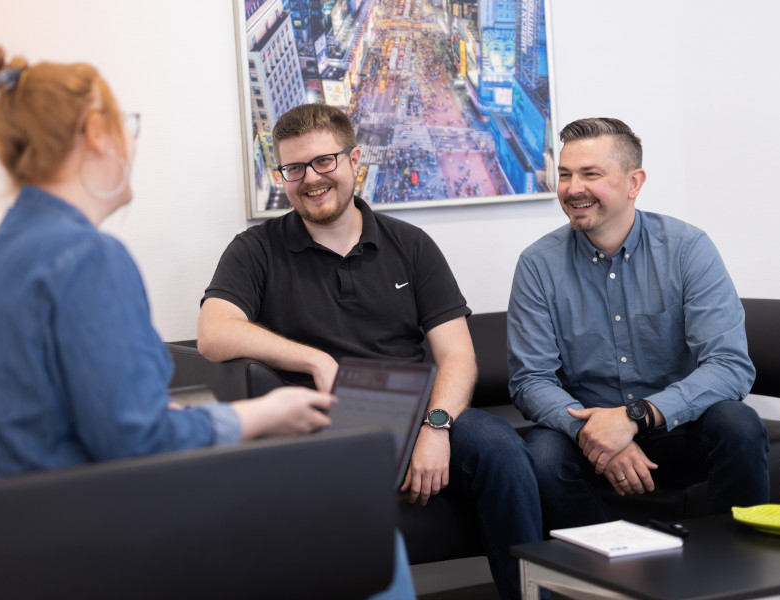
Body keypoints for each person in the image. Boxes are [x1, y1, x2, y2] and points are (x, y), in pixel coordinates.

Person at [0, 48, 416, 599]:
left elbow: (60, 405)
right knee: (365, 530)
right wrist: (260, 414)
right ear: (98, 134)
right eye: (128, 127)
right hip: (72, 532)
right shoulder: (89, 257)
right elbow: (136, 440)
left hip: (3, 526)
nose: (132, 145)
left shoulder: (10, 244)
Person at [198, 103, 541, 600]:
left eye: (323, 162)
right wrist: (315, 359)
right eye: (293, 168)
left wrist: (437, 426)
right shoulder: (257, 249)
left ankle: (529, 595)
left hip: (417, 410)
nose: (310, 179)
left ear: (354, 159)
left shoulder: (410, 244)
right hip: (325, 425)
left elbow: (459, 355)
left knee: (504, 450)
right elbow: (214, 333)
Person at [507, 117, 769, 531]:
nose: (573, 188)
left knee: (738, 424)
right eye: (565, 175)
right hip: (587, 433)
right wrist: (598, 436)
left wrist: (634, 417)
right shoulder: (538, 265)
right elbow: (531, 381)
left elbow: (729, 366)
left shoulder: (687, 249)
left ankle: (736, 576)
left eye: (590, 174)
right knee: (541, 455)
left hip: (677, 425)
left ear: (634, 182)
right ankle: (612, 582)